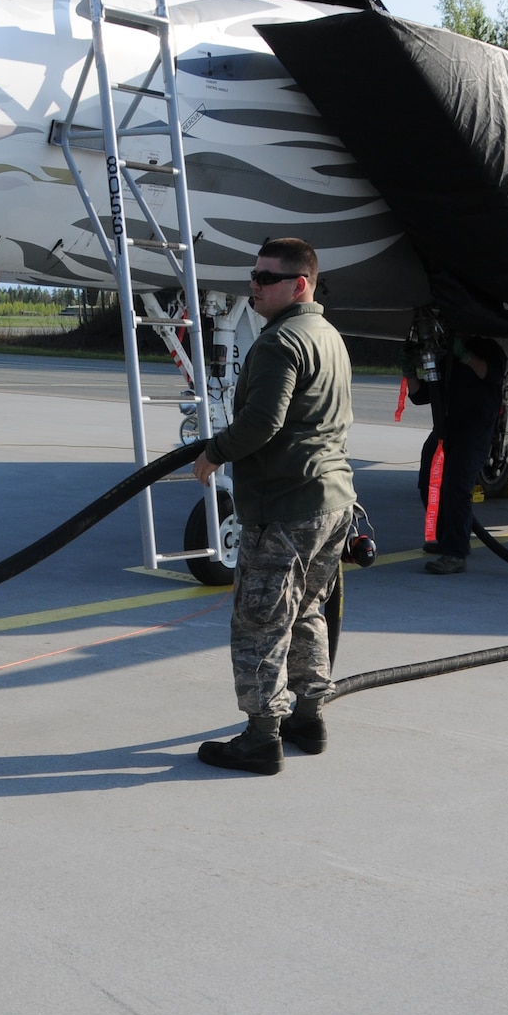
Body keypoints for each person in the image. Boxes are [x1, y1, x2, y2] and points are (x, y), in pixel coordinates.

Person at [191, 238, 354, 775]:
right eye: (254, 275)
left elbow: (264, 423)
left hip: (285, 506)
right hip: (331, 503)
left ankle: (262, 737)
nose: (254, 286)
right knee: (308, 611)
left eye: (266, 278)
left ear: (299, 284)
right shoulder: (327, 335)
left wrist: (213, 454)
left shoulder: (280, 342)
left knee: (260, 622)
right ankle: (308, 717)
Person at [416, 328, 508, 575]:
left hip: (474, 430)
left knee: (456, 487)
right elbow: (421, 395)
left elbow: (491, 374)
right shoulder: (447, 359)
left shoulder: (488, 349)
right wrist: (409, 372)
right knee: (428, 484)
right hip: (445, 429)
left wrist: (465, 355)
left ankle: (455, 553)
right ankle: (449, 539)